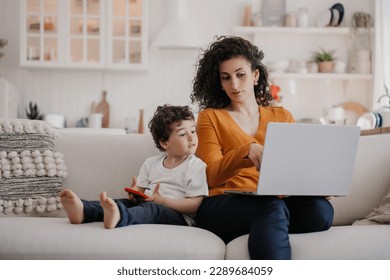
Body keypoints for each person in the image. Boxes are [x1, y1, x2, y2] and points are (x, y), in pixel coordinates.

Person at [190, 35, 334, 260]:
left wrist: (314, 184)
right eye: (226, 78)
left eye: (241, 75)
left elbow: (294, 169)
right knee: (271, 207)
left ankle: (267, 223)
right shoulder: (210, 117)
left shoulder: (281, 115)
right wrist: (245, 151)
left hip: (272, 200)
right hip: (223, 204)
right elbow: (210, 176)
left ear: (255, 75)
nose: (234, 85)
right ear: (219, 82)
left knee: (321, 211)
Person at [60, 104, 208, 229]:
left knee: (151, 209)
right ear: (164, 143)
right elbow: (141, 194)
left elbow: (194, 205)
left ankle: (119, 218)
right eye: (183, 134)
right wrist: (135, 194)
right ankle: (84, 211)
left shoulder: (196, 166)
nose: (191, 137)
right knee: (123, 202)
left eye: (193, 131)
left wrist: (163, 201)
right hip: (151, 205)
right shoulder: (151, 163)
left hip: (179, 217)